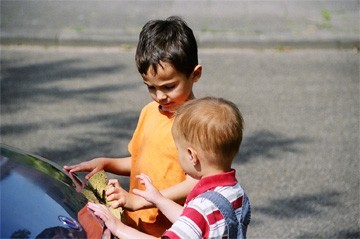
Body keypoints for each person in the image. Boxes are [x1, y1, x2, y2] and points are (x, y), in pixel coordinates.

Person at [63, 16, 202, 236]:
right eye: (151, 87)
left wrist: (141, 200)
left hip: (171, 230)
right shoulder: (149, 112)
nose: (160, 96)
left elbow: (195, 182)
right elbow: (142, 160)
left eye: (169, 86)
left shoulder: (197, 123)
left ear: (195, 74)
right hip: (134, 222)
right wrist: (106, 163)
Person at [88, 97, 251, 239]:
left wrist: (118, 228)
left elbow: (195, 218)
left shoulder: (201, 207)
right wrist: (159, 199)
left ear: (191, 155)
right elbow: (192, 221)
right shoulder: (235, 192)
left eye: (178, 150)